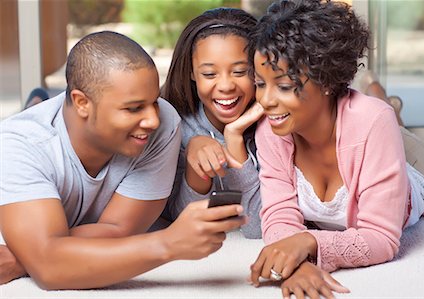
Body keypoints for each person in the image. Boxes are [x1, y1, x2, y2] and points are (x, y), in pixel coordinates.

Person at [0, 31, 246, 289]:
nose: (152, 120)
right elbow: (50, 271)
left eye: (154, 102)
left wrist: (33, 256)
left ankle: (38, 101)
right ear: (81, 103)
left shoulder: (162, 123)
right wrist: (168, 243)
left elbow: (118, 231)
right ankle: (36, 103)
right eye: (134, 108)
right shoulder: (20, 144)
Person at [246, 0, 424, 298]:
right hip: (352, 123)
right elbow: (278, 215)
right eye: (260, 83)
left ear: (325, 81)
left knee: (389, 120)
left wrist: (308, 242)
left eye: (283, 86)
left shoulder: (373, 122)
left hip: (411, 161)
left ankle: (382, 98)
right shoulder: (272, 129)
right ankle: (378, 95)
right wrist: (297, 264)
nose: (266, 101)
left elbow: (382, 238)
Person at [161, 7, 264, 238]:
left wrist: (235, 141)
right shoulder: (175, 126)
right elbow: (179, 218)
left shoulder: (274, 128)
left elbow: (257, 227)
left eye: (240, 71)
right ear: (191, 73)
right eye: (209, 74)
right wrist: (195, 169)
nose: (226, 85)